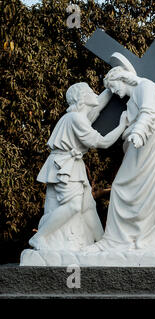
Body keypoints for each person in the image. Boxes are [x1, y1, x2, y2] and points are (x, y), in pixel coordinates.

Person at [88, 53, 155, 252]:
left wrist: (137, 132)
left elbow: (149, 112)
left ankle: (137, 238)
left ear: (122, 78)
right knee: (124, 188)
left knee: (124, 187)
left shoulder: (146, 86)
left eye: (114, 87)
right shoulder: (131, 101)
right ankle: (120, 239)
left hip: (149, 147)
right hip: (138, 148)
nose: (115, 92)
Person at [29, 82, 128, 250]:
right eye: (90, 92)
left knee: (88, 205)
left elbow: (97, 106)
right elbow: (101, 142)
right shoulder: (76, 119)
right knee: (74, 206)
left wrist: (111, 87)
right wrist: (122, 125)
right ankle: (39, 237)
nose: (94, 94)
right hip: (64, 166)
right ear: (82, 98)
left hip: (72, 165)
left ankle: (102, 242)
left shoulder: (79, 117)